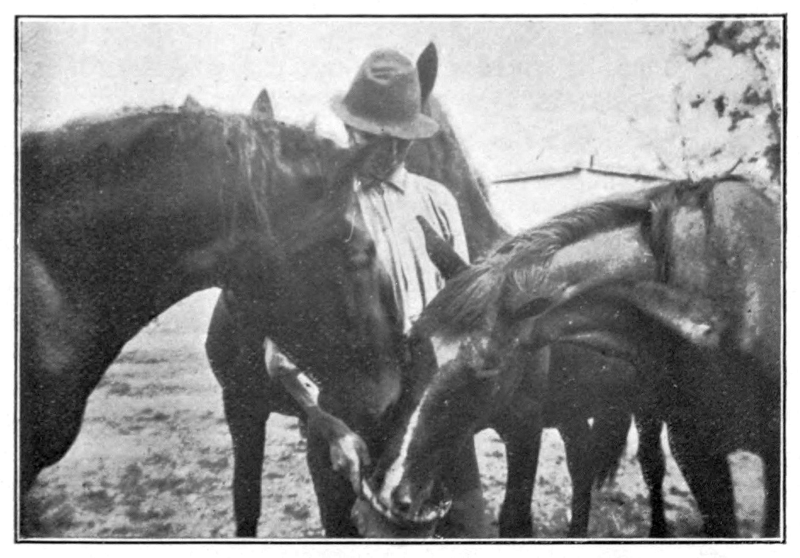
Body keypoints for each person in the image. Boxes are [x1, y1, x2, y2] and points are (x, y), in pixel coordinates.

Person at [265, 47, 486, 537]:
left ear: (408, 139)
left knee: (470, 533)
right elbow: (280, 349)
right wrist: (325, 422)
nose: (376, 149)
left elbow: (464, 315)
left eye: (392, 139)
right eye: (364, 133)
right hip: (351, 412)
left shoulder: (439, 203)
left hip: (430, 410)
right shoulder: (325, 211)